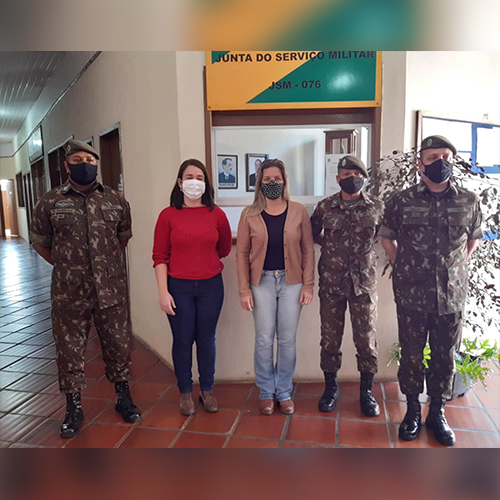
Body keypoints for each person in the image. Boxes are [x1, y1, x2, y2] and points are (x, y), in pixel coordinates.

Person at [30, 139, 141, 438]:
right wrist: (67, 265)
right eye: (78, 160)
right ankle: (73, 407)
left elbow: (122, 239)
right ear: (66, 166)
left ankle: (123, 396)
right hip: (69, 291)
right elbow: (40, 242)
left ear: (97, 165)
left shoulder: (115, 200)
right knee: (69, 350)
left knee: (118, 344)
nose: (85, 165)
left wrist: (102, 267)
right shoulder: (50, 202)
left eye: (90, 161)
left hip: (110, 289)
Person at [379, 135, 483, 446]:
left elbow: (472, 241)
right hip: (412, 294)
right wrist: (403, 266)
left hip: (451, 296)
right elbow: (387, 238)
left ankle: (437, 413)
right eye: (433, 157)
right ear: (420, 164)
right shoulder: (401, 200)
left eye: (446, 157)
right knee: (411, 355)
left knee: (444, 358)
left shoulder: (469, 200)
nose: (441, 162)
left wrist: (454, 269)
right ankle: (412, 411)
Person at [153, 159, 232, 416]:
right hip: (178, 288)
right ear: (180, 182)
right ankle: (185, 392)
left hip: (211, 287)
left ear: (206, 183)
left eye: (200, 178)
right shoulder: (167, 216)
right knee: (183, 340)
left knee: (206, 339)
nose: (195, 182)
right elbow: (160, 256)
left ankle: (207, 390)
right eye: (189, 177)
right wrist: (163, 292)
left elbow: (224, 249)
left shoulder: (217, 214)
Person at [236, 159, 315, 415]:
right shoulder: (249, 214)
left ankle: (283, 391)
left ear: (284, 181)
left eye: (277, 179)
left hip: (292, 283)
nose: (272, 183)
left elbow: (307, 250)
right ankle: (266, 391)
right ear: (260, 182)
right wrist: (244, 290)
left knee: (287, 340)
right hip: (261, 283)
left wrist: (308, 285)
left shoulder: (298, 211)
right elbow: (242, 253)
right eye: (267, 179)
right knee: (264, 339)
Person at [311, 156, 384, 417]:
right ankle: (330, 389)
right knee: (330, 340)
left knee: (366, 341)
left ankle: (366, 393)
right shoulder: (325, 207)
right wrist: (332, 250)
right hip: (332, 283)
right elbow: (313, 233)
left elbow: (384, 235)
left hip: (363, 285)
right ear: (337, 178)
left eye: (356, 174)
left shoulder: (377, 206)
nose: (351, 178)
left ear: (363, 178)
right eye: (345, 174)